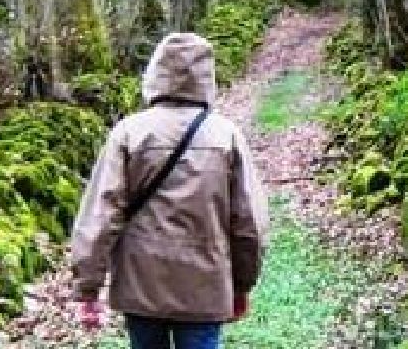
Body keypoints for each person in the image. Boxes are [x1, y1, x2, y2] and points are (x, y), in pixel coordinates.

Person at [69, 32, 269, 349]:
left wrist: (88, 287)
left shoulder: (128, 132)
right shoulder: (226, 136)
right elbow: (248, 223)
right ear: (206, 76)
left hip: (140, 285)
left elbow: (100, 214)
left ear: (155, 73)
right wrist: (242, 284)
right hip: (204, 285)